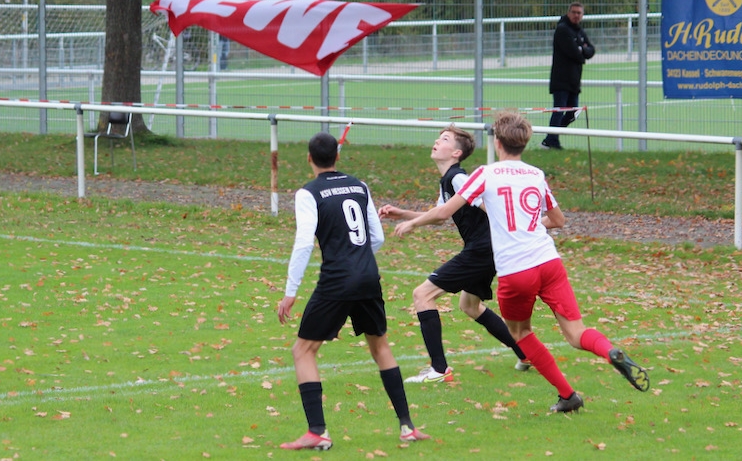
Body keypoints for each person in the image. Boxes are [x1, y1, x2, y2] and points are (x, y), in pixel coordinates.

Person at [395, 111, 649, 413]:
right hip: (550, 262)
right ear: (525, 142)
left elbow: (443, 212)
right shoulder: (535, 175)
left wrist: (411, 223)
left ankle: (568, 394)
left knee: (522, 334)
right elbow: (558, 220)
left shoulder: (484, 174)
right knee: (577, 334)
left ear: (498, 143)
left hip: (517, 270)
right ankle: (609, 351)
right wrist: (526, 226)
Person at [277, 132, 429, 450]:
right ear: (337, 156)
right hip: (368, 276)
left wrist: (291, 291)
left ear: (309, 158)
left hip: (337, 279)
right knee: (380, 347)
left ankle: (317, 431)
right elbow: (377, 237)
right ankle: (407, 426)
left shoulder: (308, 193)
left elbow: (304, 243)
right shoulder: (360, 186)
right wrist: (358, 259)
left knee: (303, 351)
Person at [379, 125, 530, 383]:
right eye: (438, 138)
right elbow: (440, 215)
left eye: (445, 139)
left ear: (456, 153)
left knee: (422, 295)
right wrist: (404, 214)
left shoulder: (459, 178)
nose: (437, 141)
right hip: (486, 249)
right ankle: (525, 354)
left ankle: (439, 370)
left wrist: (413, 224)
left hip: (482, 249)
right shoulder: (449, 180)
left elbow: (486, 207)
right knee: (469, 305)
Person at [543, 1, 595, 150]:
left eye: (579, 13)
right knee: (559, 111)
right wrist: (582, 51)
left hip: (574, 80)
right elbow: (574, 53)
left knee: (573, 113)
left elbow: (591, 50)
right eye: (574, 12)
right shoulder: (562, 29)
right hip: (561, 80)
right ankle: (552, 140)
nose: (576, 15)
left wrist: (582, 50)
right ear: (568, 13)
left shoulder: (579, 31)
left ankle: (550, 138)